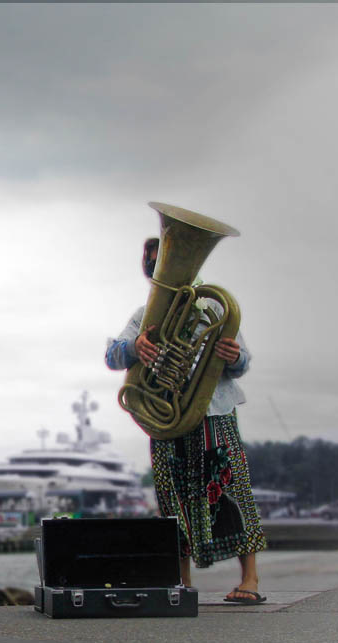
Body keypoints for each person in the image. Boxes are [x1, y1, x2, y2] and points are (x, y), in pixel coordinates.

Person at [105, 237, 268, 604]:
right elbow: (112, 355)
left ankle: (251, 580)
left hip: (214, 412)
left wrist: (234, 355)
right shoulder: (143, 316)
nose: (155, 272)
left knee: (233, 490)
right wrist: (135, 348)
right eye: (152, 266)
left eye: (160, 263)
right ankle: (181, 582)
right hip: (166, 418)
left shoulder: (214, 307)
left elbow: (242, 364)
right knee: (172, 498)